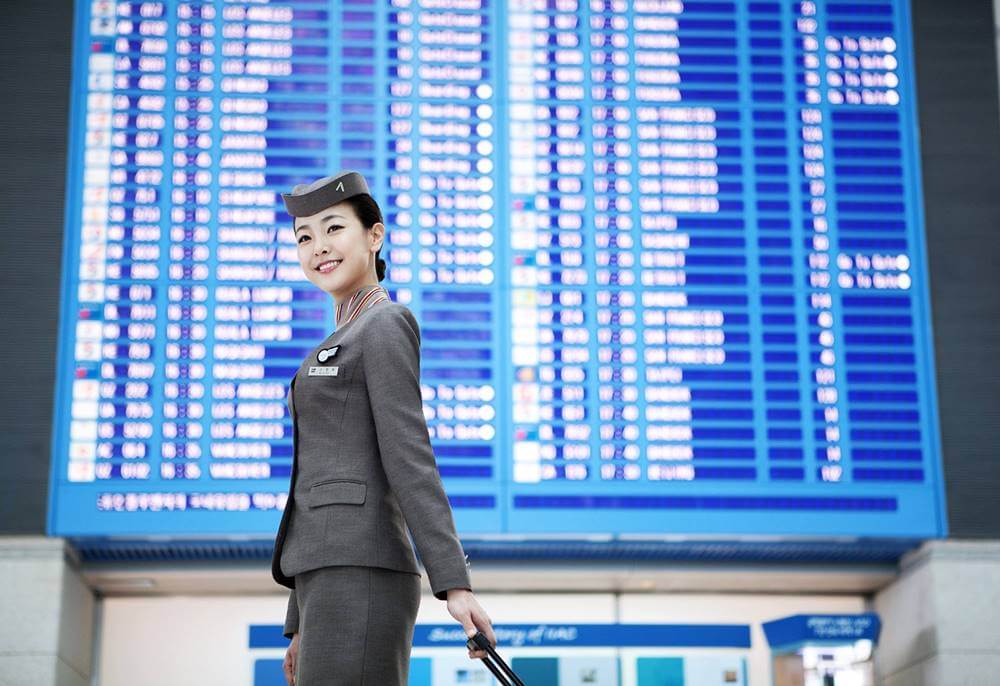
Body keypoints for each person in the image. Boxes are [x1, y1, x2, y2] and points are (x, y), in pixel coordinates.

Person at [270, 171, 496, 685]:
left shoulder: (386, 323)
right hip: (327, 573)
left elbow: (408, 454)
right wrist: (298, 619)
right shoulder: (341, 337)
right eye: (304, 237)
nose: (318, 247)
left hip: (362, 569)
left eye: (333, 229)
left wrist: (453, 584)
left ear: (375, 236)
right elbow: (315, 478)